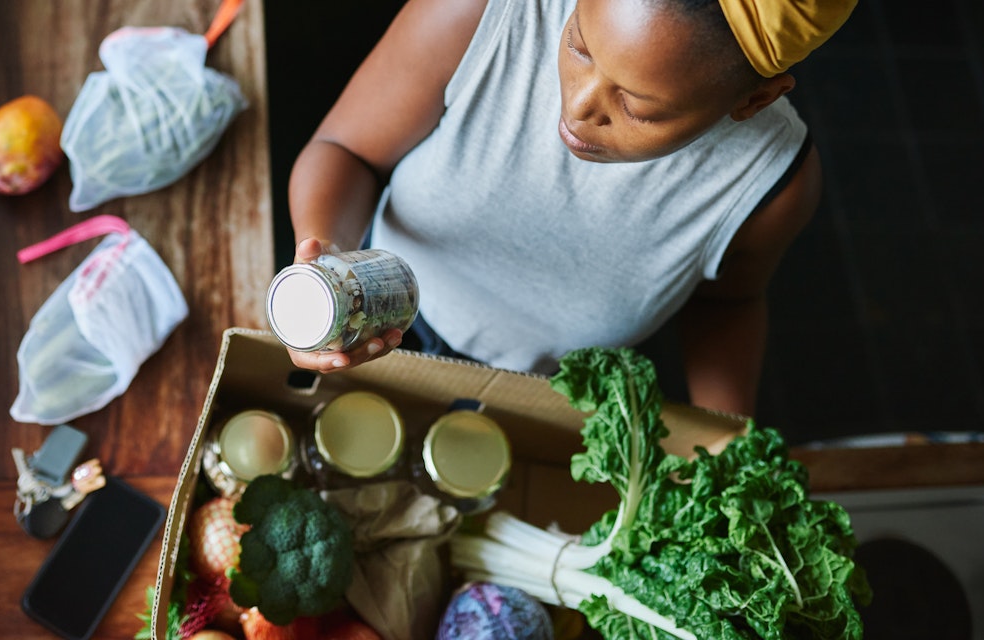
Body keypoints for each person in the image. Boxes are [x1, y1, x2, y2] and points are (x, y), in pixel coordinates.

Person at [282, 0, 855, 416]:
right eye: (579, 44)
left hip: (539, 402)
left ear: (755, 99)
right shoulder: (489, 13)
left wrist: (726, 442)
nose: (577, 109)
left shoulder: (772, 185)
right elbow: (346, 151)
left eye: (638, 107)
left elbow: (727, 302)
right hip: (376, 321)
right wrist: (328, 262)